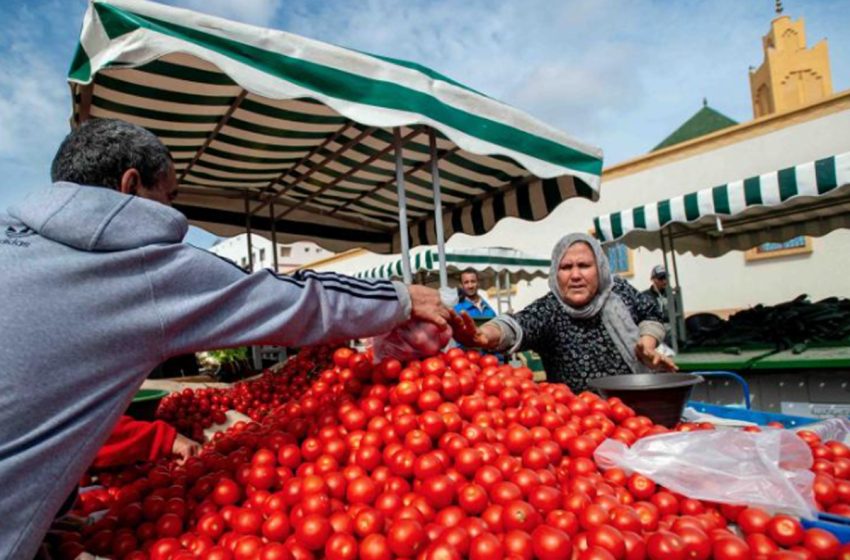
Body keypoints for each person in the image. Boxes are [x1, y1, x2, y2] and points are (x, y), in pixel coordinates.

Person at [0, 118, 451, 559]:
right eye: (170, 196)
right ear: (130, 186)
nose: (177, 214)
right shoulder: (138, 262)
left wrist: (44, 513)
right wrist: (398, 298)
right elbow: (287, 303)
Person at [453, 233, 677, 393]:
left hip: (636, 410)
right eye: (566, 267)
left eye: (584, 265)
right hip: (582, 428)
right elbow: (516, 325)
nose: (576, 275)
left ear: (600, 268)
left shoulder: (618, 291)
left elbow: (650, 313)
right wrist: (485, 335)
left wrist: (646, 344)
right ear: (555, 274)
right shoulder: (550, 309)